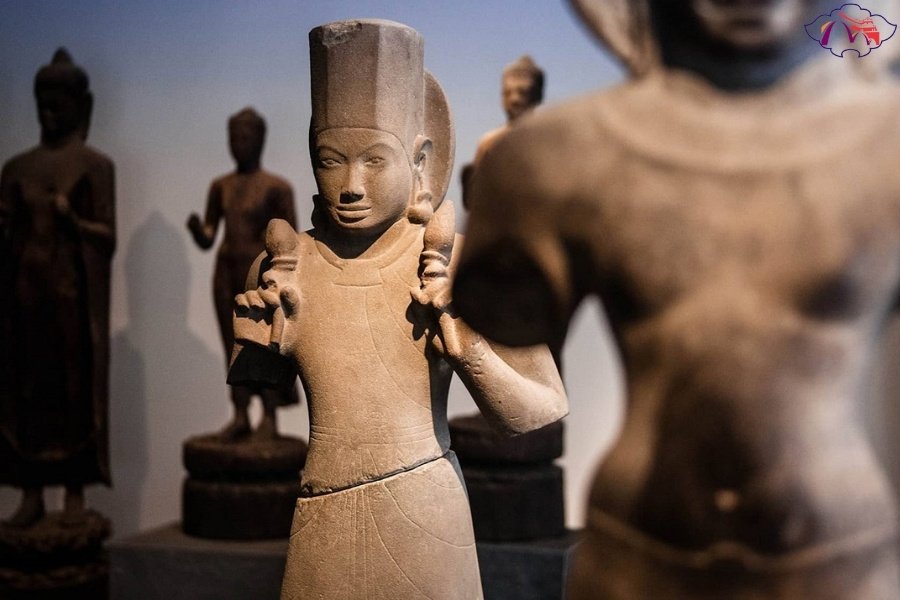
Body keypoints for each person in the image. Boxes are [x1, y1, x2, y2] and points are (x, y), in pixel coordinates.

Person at [454, 0, 900, 598]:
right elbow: (511, 336)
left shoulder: (886, 144)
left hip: (838, 561)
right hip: (636, 560)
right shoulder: (550, 158)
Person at [228, 20, 567, 599]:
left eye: (374, 160)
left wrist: (468, 347)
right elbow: (260, 377)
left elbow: (538, 410)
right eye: (330, 160)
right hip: (322, 519)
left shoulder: (460, 266)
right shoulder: (286, 265)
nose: (350, 185)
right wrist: (263, 337)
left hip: (426, 516)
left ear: (419, 159)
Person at [0, 49, 115, 528]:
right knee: (27, 387)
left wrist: (74, 222)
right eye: (41, 100)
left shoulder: (94, 166)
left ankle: (73, 491)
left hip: (71, 296)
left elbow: (107, 237)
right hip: (25, 295)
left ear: (80, 106)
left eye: (58, 101)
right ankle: (30, 492)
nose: (48, 110)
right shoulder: (16, 169)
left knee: (73, 387)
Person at [187, 108, 298, 440]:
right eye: (233, 138)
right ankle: (240, 413)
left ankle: (269, 415)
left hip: (260, 275)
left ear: (260, 140)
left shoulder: (276, 188)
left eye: (246, 137)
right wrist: (198, 230)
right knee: (232, 343)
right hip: (225, 272)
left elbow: (290, 241)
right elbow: (209, 235)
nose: (239, 144)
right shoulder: (220, 186)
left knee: (264, 343)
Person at [462, 55, 544, 209]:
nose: (514, 99)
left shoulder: (549, 140)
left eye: (522, 92)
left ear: (538, 95)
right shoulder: (488, 142)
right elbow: (473, 198)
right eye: (507, 93)